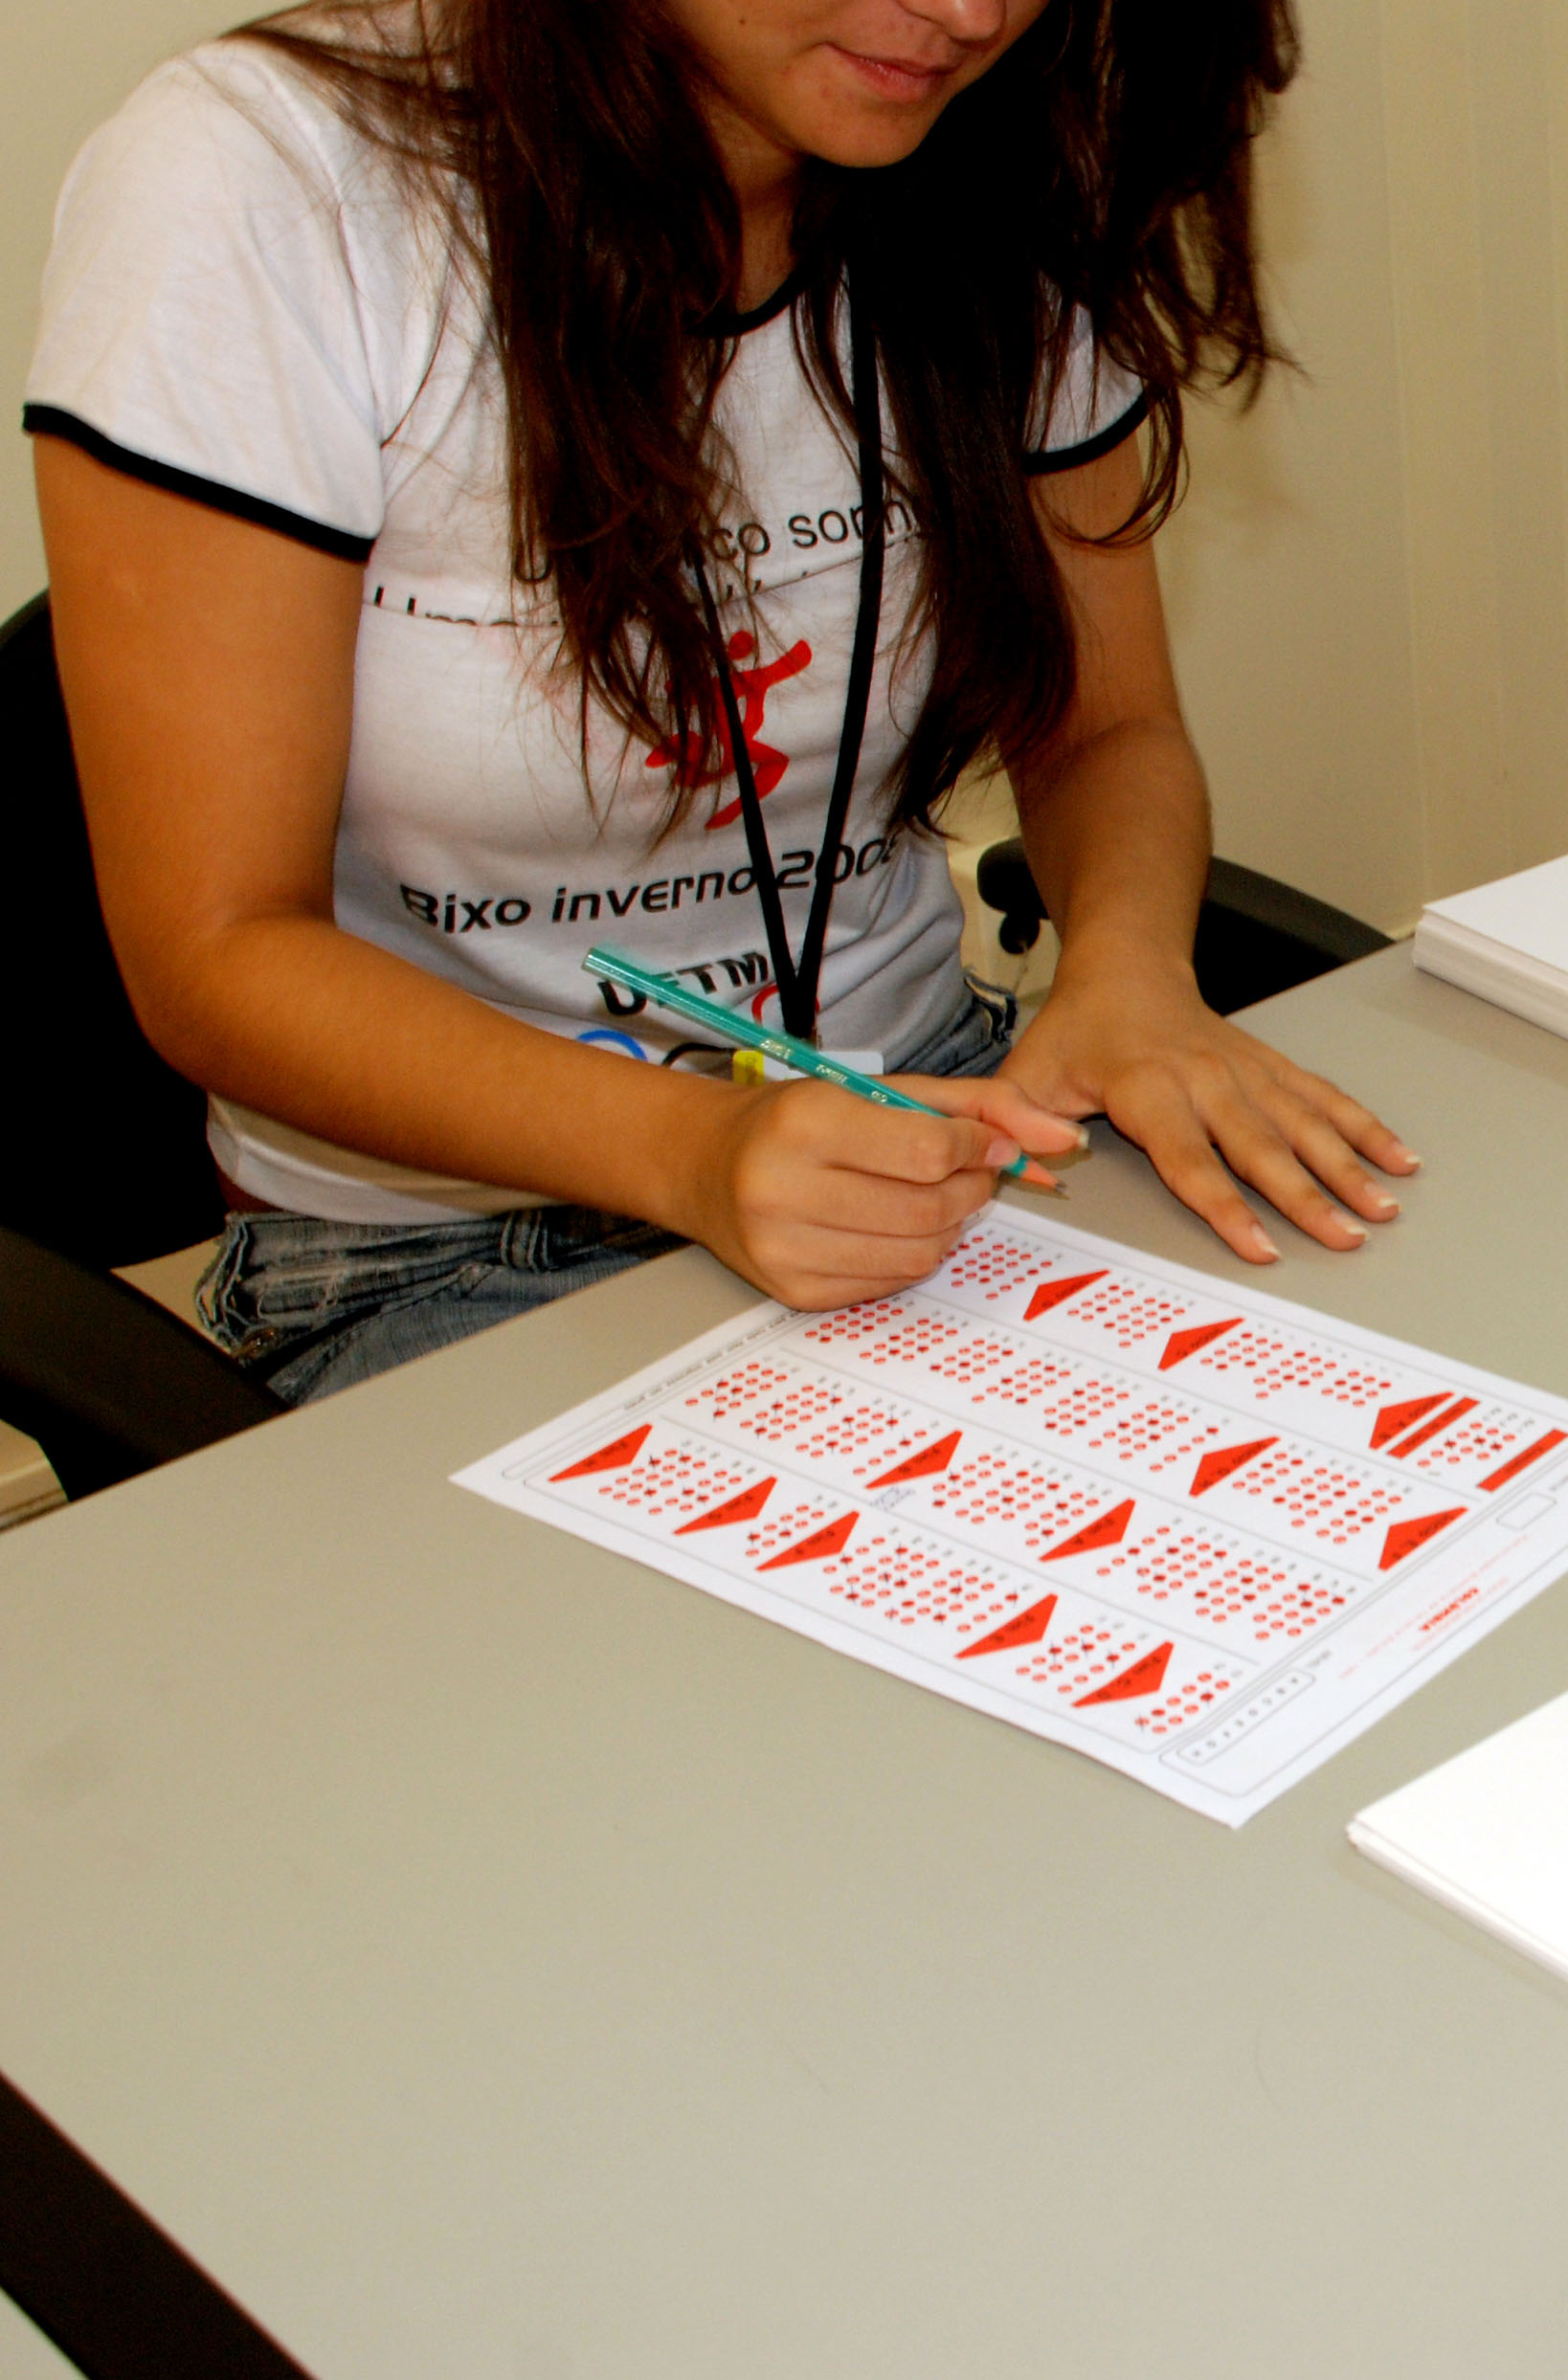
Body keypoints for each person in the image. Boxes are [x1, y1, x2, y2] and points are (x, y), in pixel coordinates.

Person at [26, 0, 1414, 1403]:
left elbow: (1104, 728)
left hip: (932, 1116)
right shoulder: (269, 180)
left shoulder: (998, 148)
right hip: (454, 1244)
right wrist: (697, 1152)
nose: (968, 14)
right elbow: (218, 950)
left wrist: (1128, 975)